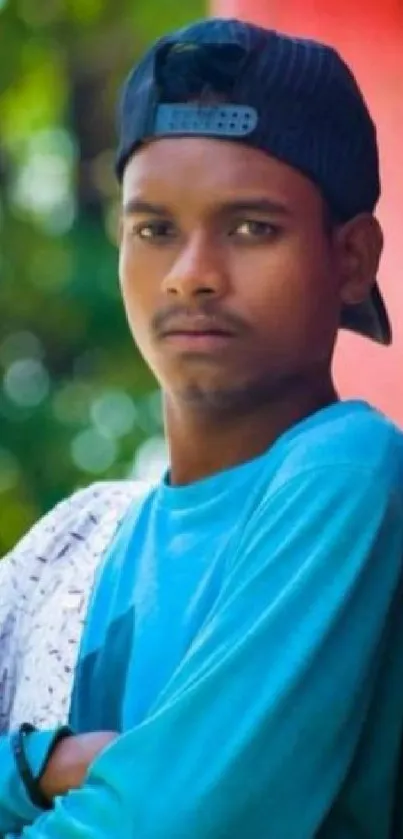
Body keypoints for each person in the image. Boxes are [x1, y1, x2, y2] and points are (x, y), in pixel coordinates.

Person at [1, 16, 403, 839]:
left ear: (352, 257)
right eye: (153, 230)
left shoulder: (350, 471)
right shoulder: (83, 541)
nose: (190, 276)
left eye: (251, 227)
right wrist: (41, 762)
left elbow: (170, 826)